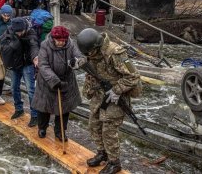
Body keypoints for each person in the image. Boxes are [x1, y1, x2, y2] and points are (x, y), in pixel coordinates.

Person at [77, 28, 142, 174]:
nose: (88, 56)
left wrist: (116, 90)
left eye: (89, 53)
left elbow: (133, 76)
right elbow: (90, 69)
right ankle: (102, 153)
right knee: (94, 125)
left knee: (109, 130)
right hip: (99, 94)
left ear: (96, 46)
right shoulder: (91, 52)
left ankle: (114, 162)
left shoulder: (116, 52)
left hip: (116, 96)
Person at [32, 26, 84, 141]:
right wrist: (55, 81)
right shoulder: (45, 45)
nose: (61, 42)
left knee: (64, 109)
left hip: (66, 81)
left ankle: (60, 131)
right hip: (47, 81)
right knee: (44, 107)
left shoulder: (70, 43)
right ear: (54, 38)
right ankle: (42, 127)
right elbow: (43, 65)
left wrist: (77, 62)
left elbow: (79, 56)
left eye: (63, 40)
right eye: (59, 40)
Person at [0, 17, 39, 127]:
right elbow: (1, 39)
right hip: (15, 64)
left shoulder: (31, 32)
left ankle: (35, 115)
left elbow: (34, 45)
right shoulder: (10, 30)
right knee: (13, 87)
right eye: (17, 32)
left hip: (27, 64)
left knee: (31, 90)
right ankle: (19, 109)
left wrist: (35, 56)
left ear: (25, 28)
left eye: (21, 32)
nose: (19, 34)